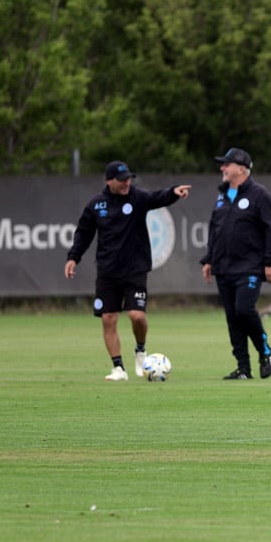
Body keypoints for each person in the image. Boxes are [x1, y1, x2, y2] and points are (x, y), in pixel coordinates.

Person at [64, 161, 191, 381]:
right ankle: (118, 369)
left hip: (135, 268)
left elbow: (157, 198)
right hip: (107, 270)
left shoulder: (137, 198)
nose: (126, 183)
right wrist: (73, 257)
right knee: (108, 318)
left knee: (137, 316)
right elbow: (84, 233)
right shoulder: (96, 205)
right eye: (122, 180)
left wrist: (173, 193)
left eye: (128, 179)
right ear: (109, 181)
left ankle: (140, 350)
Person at [200, 147, 271, 380]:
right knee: (232, 317)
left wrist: (270, 263)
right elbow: (214, 230)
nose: (222, 168)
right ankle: (243, 368)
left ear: (241, 168)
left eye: (226, 164)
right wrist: (208, 259)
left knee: (244, 310)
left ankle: (265, 351)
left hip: (250, 266)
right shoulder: (222, 194)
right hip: (223, 267)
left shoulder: (259, 194)